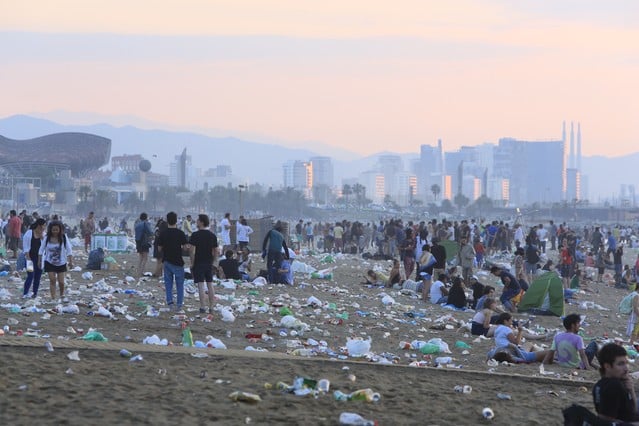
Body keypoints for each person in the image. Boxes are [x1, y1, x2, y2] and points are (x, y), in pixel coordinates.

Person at [592, 343, 639, 423]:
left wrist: (631, 390)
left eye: (626, 363)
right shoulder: (614, 386)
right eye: (620, 364)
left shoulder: (598, 385)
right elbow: (607, 420)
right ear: (607, 366)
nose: (626, 368)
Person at [157, 211, 188, 312]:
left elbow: (159, 249)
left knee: (168, 283)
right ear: (176, 221)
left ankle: (170, 302)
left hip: (167, 261)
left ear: (167, 220)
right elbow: (185, 247)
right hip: (178, 261)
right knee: (180, 284)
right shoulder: (180, 233)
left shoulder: (163, 233)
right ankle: (179, 304)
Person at [189, 214, 218, 314]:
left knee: (201, 285)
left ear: (201, 222)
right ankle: (212, 307)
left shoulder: (195, 235)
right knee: (210, 284)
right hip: (208, 262)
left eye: (197, 220)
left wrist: (192, 263)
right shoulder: (212, 235)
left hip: (199, 262)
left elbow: (192, 251)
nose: (196, 222)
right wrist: (213, 261)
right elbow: (216, 251)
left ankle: (202, 307)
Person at [38, 221, 73, 302]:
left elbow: (69, 249)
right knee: (52, 280)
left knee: (61, 282)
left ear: (60, 230)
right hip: (49, 262)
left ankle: (62, 294)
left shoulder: (63, 237)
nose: (55, 232)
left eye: (57, 230)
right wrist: (39, 261)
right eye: (53, 230)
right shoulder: (47, 238)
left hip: (61, 263)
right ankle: (53, 297)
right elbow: (41, 249)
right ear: (50, 230)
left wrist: (71, 261)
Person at [22, 218, 46, 298]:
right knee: (31, 275)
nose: (44, 228)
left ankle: (34, 293)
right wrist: (28, 259)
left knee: (38, 276)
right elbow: (26, 248)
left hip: (39, 259)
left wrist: (42, 238)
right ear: (39, 226)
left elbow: (45, 248)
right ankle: (25, 293)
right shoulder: (29, 233)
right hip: (30, 258)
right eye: (43, 226)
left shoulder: (44, 235)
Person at [134, 213, 154, 278]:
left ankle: (137, 271)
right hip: (144, 242)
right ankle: (141, 272)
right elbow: (150, 232)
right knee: (145, 258)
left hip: (138, 242)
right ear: (146, 217)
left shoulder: (137, 224)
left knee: (140, 257)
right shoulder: (146, 223)